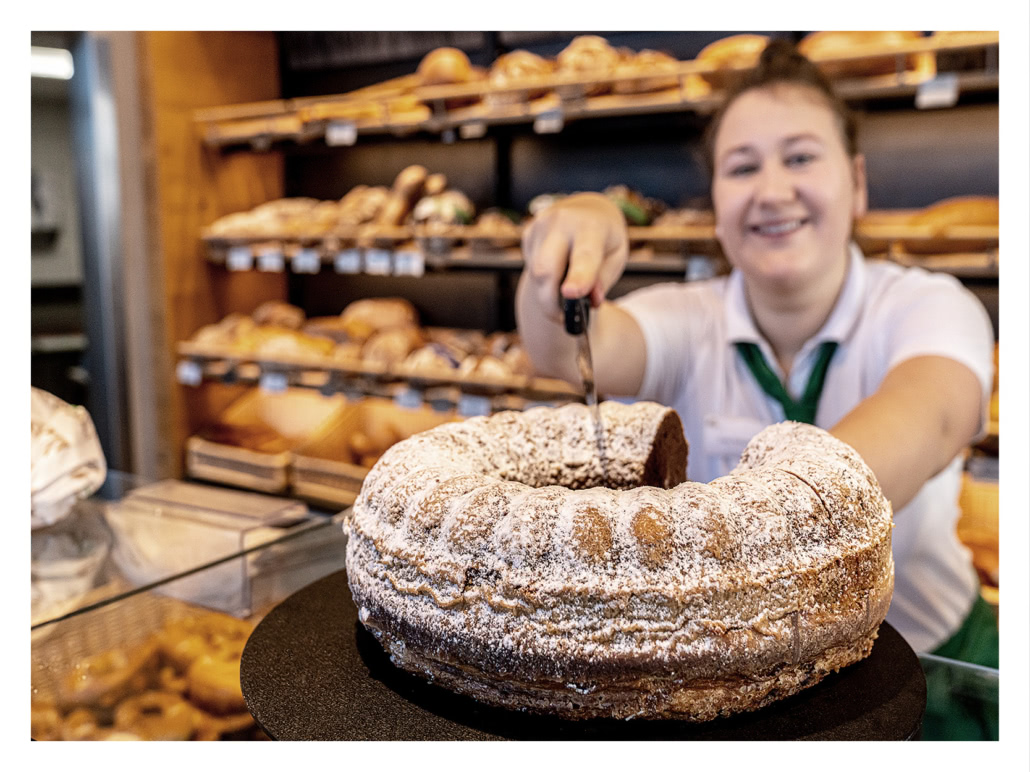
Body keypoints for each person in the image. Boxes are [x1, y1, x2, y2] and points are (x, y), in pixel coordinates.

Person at [516, 39, 997, 681]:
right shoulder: (690, 319)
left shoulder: (929, 306)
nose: (772, 191)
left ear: (856, 184)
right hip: (749, 679)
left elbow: (931, 416)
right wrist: (562, 246)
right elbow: (560, 348)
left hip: (932, 664)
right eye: (742, 168)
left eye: (800, 157)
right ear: (716, 206)